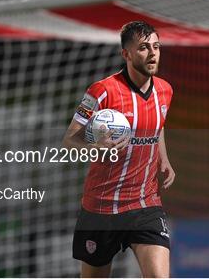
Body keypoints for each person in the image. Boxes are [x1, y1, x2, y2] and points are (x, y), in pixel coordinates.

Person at [63, 21, 175, 277]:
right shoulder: (101, 92)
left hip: (145, 204)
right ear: (126, 54)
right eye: (144, 48)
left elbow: (158, 124)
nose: (153, 53)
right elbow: (70, 140)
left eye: (156, 46)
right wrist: (96, 145)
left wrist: (163, 158)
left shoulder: (165, 91)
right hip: (102, 208)